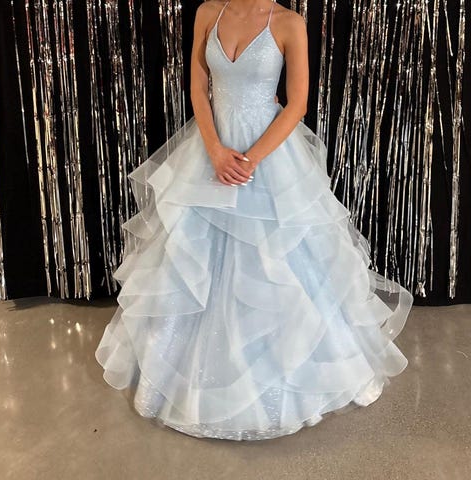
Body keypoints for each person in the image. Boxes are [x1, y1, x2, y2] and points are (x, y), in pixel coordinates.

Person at [95, 0, 414, 441]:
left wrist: (249, 161)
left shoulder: (288, 23)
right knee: (193, 257)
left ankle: (286, 377)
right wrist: (215, 151)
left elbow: (297, 104)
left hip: (266, 154)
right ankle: (185, 377)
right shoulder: (209, 12)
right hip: (212, 149)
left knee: (279, 262)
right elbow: (198, 88)